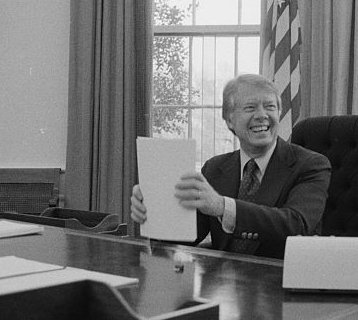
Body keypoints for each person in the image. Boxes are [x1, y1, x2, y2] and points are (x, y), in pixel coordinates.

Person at [130, 74, 331, 258]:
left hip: (283, 282)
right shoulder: (214, 168)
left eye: (270, 107)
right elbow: (189, 236)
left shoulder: (310, 165)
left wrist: (222, 207)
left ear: (279, 113)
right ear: (230, 121)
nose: (262, 115)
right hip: (224, 285)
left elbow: (297, 225)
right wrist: (154, 213)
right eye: (250, 108)